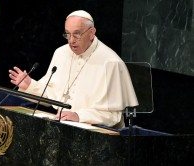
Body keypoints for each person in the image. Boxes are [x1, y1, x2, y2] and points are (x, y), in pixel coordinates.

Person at [9, 10, 138, 128]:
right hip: (64, 128)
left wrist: (79, 116)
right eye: (67, 34)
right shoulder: (60, 53)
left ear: (92, 33)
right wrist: (30, 86)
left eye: (77, 34)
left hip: (100, 136)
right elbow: (51, 95)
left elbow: (113, 116)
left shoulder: (111, 63)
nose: (71, 41)